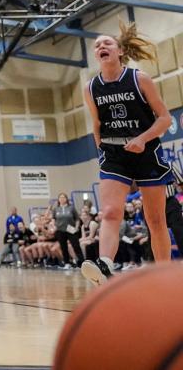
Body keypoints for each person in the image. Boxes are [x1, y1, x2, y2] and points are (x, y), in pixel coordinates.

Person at [80, 24, 172, 286]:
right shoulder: (91, 88)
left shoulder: (139, 78)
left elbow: (164, 119)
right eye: (97, 45)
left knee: (155, 219)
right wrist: (102, 153)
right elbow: (96, 125)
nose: (101, 47)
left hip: (147, 151)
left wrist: (142, 139)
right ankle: (105, 266)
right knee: (109, 211)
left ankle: (163, 275)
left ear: (120, 51)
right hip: (113, 153)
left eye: (106, 43)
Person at [52, 193, 83, 268]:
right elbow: (53, 219)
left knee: (76, 245)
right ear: (58, 200)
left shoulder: (71, 208)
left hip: (70, 229)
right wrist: (54, 226)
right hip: (60, 230)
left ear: (66, 199)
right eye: (60, 197)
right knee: (63, 247)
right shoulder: (56, 209)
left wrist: (76, 227)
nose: (62, 199)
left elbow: (77, 219)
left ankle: (82, 262)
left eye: (64, 197)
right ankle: (67, 263)